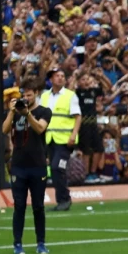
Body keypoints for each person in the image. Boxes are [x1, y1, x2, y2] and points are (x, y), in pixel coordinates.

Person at [5, 85, 52, 254]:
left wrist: (27, 114)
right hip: (18, 166)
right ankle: (17, 243)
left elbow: (40, 128)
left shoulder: (44, 111)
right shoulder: (16, 112)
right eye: (24, 95)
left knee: (38, 206)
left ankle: (41, 242)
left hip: (38, 165)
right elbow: (4, 129)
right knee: (19, 206)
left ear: (36, 94)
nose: (26, 98)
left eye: (29, 95)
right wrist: (12, 111)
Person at [41, 69, 80, 212]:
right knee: (54, 168)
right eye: (57, 76)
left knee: (58, 167)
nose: (60, 78)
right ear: (51, 79)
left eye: (62, 76)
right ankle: (61, 201)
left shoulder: (70, 95)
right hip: (49, 139)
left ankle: (64, 199)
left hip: (64, 140)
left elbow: (77, 117)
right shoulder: (44, 96)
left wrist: (73, 135)